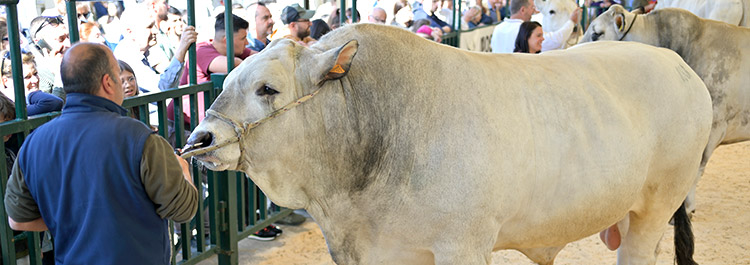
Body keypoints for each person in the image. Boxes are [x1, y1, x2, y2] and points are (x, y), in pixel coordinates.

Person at [4, 42, 198, 264]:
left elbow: (18, 220)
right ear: (107, 82)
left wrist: (69, 218)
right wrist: (183, 170)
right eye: (117, 74)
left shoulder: (34, 144)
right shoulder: (140, 138)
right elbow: (183, 210)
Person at [490, 0, 580, 53]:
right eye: (532, 8)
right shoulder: (525, 29)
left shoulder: (498, 28)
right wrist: (571, 22)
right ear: (523, 10)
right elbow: (554, 41)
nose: (533, 12)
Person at [0, 51, 63, 115]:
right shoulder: (5, 111)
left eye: (35, 74)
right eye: (27, 77)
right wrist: (32, 95)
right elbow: (53, 102)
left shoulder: (35, 103)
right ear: (6, 81)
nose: (35, 80)